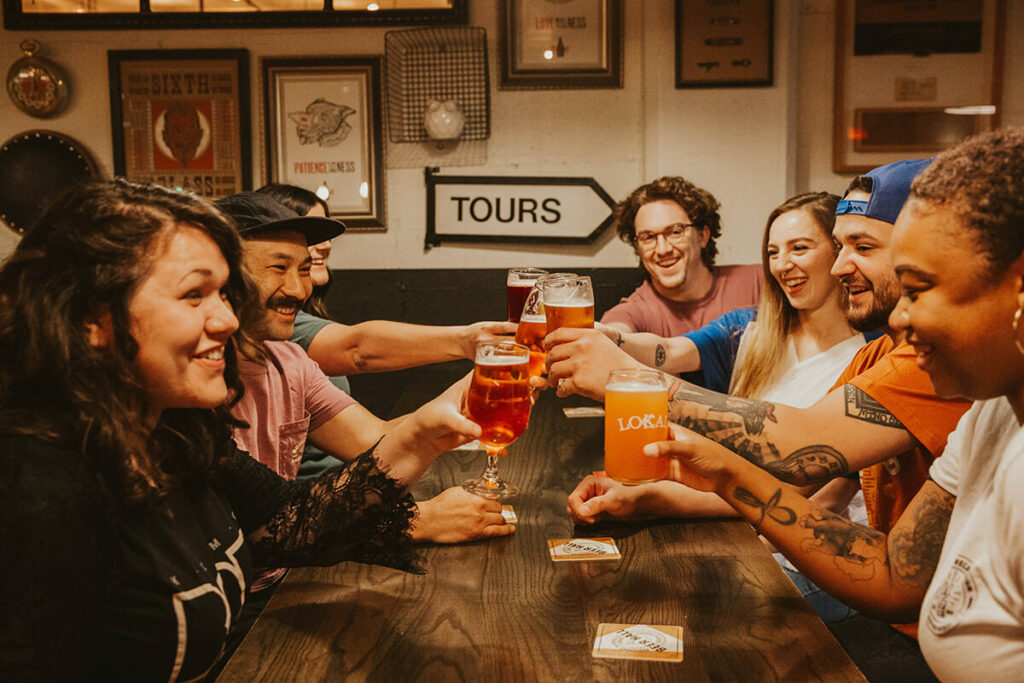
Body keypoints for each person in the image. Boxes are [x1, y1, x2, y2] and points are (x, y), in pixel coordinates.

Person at [0, 179, 481, 680]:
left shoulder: (178, 431)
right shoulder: (38, 484)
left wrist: (421, 436)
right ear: (89, 320)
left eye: (225, 294)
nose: (228, 320)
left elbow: (294, 524)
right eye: (194, 295)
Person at [549, 158, 970, 675]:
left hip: (913, 640)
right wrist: (655, 494)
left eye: (861, 247)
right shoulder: (869, 356)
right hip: (901, 619)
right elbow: (812, 488)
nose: (839, 267)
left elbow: (798, 449)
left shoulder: (942, 362)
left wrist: (629, 379)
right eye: (839, 248)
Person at [646, 126, 1024, 682]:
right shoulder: (987, 414)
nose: (900, 317)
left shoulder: (941, 379)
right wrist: (722, 474)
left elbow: (799, 448)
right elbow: (896, 575)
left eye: (920, 287)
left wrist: (637, 383)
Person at [578, 191, 878, 621]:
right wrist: (610, 339)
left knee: (680, 606)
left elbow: (824, 503)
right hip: (743, 528)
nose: (782, 264)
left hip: (820, 563)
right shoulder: (749, 332)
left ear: (839, 251)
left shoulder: (871, 355)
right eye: (773, 252)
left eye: (799, 247)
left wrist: (675, 516)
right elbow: (666, 350)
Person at [216, 191, 514, 545]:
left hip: (286, 574)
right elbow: (247, 532)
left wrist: (487, 384)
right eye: (279, 268)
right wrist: (414, 522)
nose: (298, 289)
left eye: (304, 269)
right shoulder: (192, 384)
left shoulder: (289, 362)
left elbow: (372, 441)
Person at [600, 176, 762, 337]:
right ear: (637, 248)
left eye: (676, 232)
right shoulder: (634, 311)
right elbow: (614, 333)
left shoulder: (758, 282)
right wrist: (610, 338)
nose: (663, 249)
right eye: (648, 237)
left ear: (702, 236)